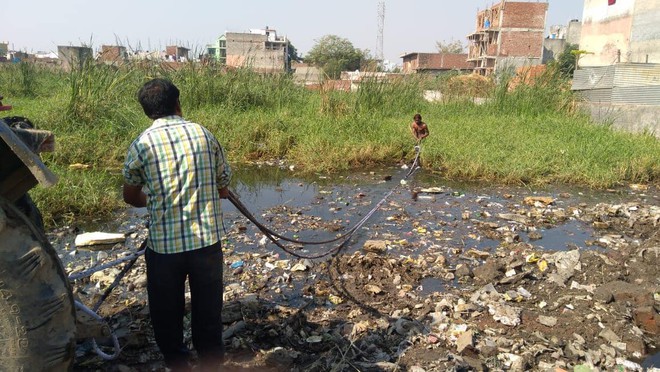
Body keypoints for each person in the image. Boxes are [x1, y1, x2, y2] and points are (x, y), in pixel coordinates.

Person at [122, 78, 232, 371]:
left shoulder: (140, 145)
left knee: (166, 313)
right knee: (208, 313)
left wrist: (157, 201)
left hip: (163, 249)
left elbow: (130, 196)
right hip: (206, 245)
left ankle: (177, 364)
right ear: (178, 103)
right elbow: (223, 187)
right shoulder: (204, 135)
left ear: (147, 112)